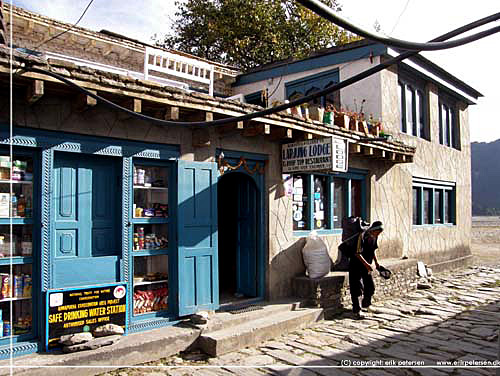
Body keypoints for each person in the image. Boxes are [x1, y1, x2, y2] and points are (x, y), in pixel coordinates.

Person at [348, 220, 383, 319]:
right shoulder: (362, 236)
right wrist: (367, 264)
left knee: (370, 286)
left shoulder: (374, 237)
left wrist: (376, 262)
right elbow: (357, 253)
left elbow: (373, 250)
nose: (378, 234)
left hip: (366, 265)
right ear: (374, 230)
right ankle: (357, 310)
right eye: (378, 232)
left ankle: (366, 304)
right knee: (357, 288)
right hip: (356, 265)